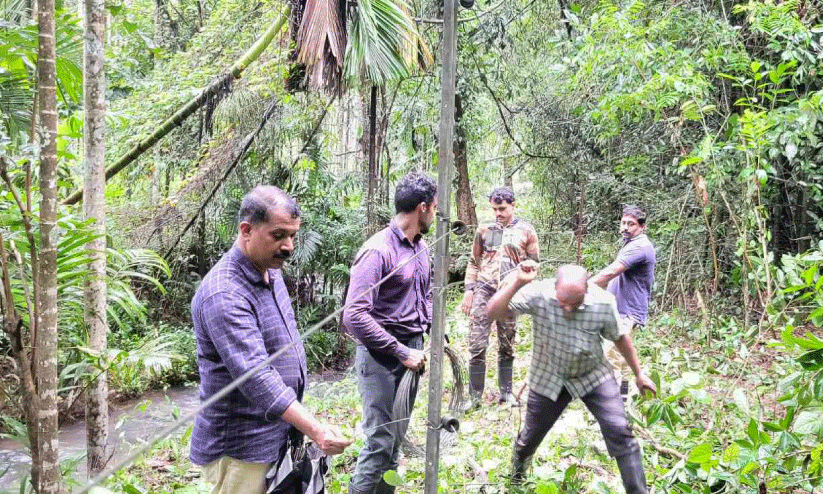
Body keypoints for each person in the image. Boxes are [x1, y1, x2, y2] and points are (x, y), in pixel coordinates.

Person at [190, 186, 351, 494]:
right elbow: (257, 376)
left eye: (292, 235)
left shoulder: (269, 271)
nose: (288, 246)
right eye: (278, 235)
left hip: (276, 435)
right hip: (242, 447)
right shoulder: (224, 293)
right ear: (246, 230)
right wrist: (316, 429)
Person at [486, 262, 657, 494]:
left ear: (586, 290)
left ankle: (638, 491)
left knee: (620, 430)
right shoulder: (539, 293)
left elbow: (620, 337)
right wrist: (518, 281)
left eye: (575, 304)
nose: (567, 309)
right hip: (548, 376)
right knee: (529, 438)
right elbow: (492, 312)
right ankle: (516, 479)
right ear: (554, 288)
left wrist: (639, 374)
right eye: (562, 303)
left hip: (593, 375)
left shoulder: (603, 302)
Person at [344, 172, 436, 494]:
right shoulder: (377, 251)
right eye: (434, 208)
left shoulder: (421, 249)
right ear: (422, 208)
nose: (435, 215)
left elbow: (427, 293)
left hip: (412, 352)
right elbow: (353, 315)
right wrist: (401, 351)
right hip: (381, 358)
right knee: (379, 442)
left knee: (395, 439)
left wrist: (430, 330)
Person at [461, 187, 540, 408]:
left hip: (509, 293)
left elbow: (534, 264)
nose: (498, 213)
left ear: (513, 206)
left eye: (502, 208)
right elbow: (474, 261)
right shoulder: (485, 229)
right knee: (477, 343)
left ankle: (506, 393)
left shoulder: (526, 231)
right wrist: (469, 290)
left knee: (507, 342)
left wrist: (523, 286)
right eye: (495, 209)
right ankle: (475, 396)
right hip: (484, 290)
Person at [591, 205, 656, 400]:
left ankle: (612, 409)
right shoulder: (631, 244)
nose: (625, 227)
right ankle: (625, 401)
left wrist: (579, 287)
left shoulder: (639, 247)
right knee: (623, 360)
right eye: (623, 222)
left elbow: (610, 273)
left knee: (609, 360)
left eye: (631, 224)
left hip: (627, 313)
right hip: (623, 310)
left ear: (642, 227)